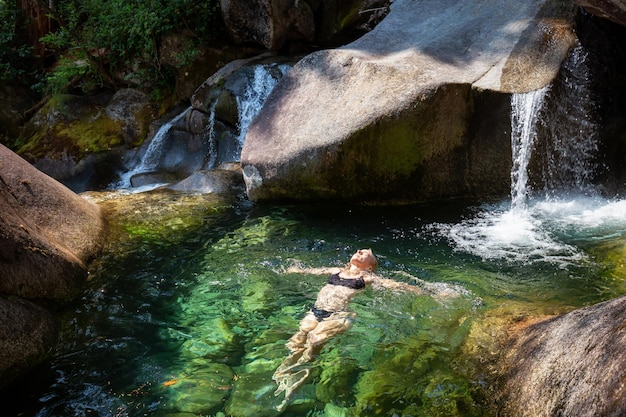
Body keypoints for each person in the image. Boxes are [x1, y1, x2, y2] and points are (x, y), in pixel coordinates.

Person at [272, 249, 428, 411]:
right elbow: (312, 270)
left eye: (366, 252)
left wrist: (428, 293)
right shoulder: (336, 270)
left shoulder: (367, 277)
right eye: (358, 250)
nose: (359, 251)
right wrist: (294, 270)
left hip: (338, 315)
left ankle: (296, 385)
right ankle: (282, 375)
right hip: (316, 311)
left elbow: (399, 285)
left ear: (371, 265)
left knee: (315, 339)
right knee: (295, 342)